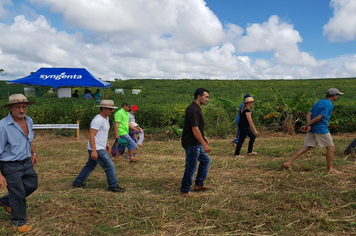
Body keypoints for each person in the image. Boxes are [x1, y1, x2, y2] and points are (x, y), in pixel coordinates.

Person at [0, 94, 39, 232]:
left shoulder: (28, 120)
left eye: (24, 106)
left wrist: (33, 153)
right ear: (10, 108)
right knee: (18, 193)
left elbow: (28, 140)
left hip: (26, 161)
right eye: (18, 107)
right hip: (10, 165)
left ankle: (5, 201)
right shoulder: (2, 126)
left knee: (32, 184)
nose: (22, 110)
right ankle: (19, 221)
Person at [282, 88, 343, 174]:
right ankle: (330, 169)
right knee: (330, 147)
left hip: (313, 128)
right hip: (320, 128)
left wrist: (309, 125)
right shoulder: (329, 104)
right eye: (337, 95)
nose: (337, 97)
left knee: (307, 146)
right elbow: (319, 118)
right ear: (334, 95)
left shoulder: (318, 103)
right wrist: (307, 125)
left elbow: (309, 114)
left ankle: (288, 163)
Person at [72, 100, 125, 192]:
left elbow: (102, 134)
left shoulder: (106, 119)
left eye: (112, 109)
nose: (112, 111)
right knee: (110, 166)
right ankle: (113, 186)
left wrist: (107, 144)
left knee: (90, 166)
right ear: (103, 108)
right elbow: (91, 135)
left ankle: (77, 182)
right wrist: (94, 150)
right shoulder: (98, 120)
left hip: (100, 147)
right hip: (97, 148)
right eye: (110, 109)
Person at [180, 88, 212, 197]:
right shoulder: (193, 109)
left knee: (206, 160)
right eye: (206, 97)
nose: (207, 99)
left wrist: (203, 137)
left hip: (196, 142)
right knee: (191, 167)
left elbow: (197, 128)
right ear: (199, 97)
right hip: (192, 143)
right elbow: (194, 129)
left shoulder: (196, 108)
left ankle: (198, 184)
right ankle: (184, 190)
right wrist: (204, 143)